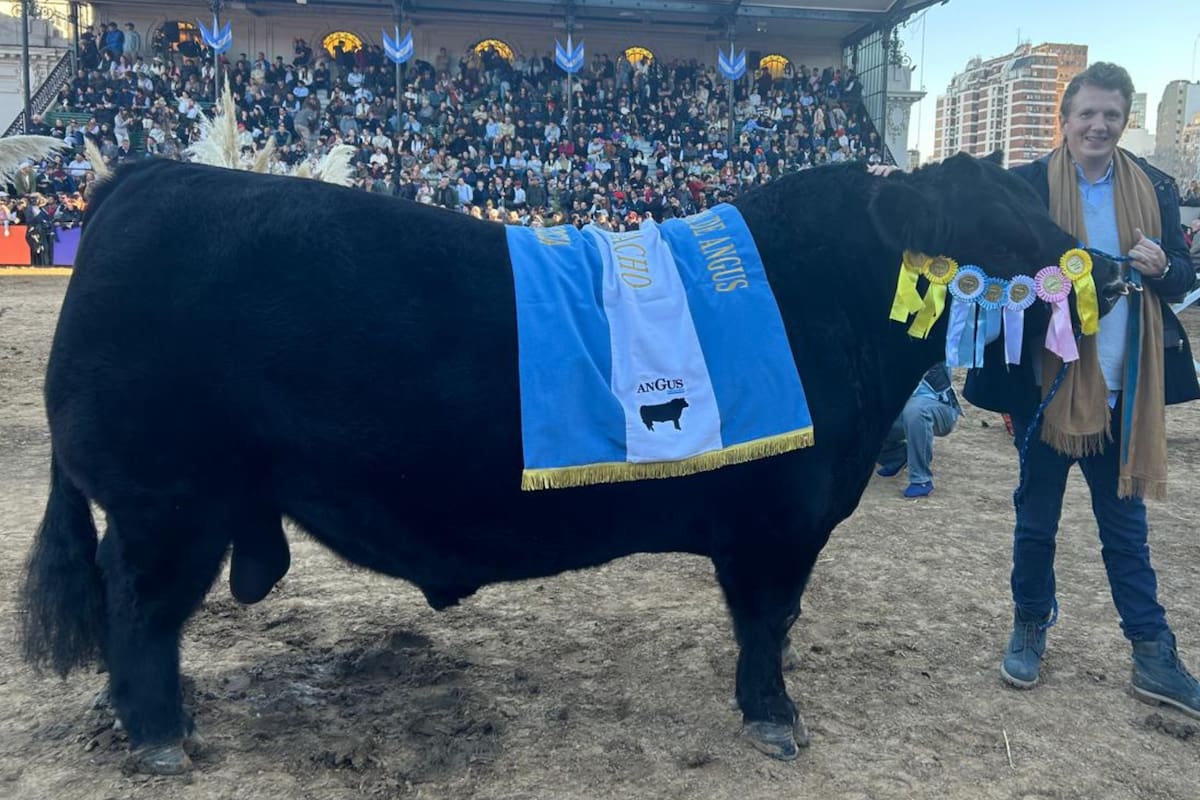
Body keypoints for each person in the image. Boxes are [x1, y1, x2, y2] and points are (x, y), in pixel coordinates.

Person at [959, 63, 1200, 716]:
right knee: (1035, 522)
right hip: (1044, 385)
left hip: (1126, 387)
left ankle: (1153, 653)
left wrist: (1164, 266)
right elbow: (987, 263)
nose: (1099, 125)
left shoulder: (1155, 185)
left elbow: (1182, 276)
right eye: (1087, 113)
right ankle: (1030, 624)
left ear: (1124, 122)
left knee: (1126, 531)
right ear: (1064, 120)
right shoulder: (1025, 186)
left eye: (1112, 116)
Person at [876, 362, 961, 498]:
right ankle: (895, 454)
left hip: (938, 405)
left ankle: (921, 479)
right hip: (901, 407)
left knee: (915, 410)